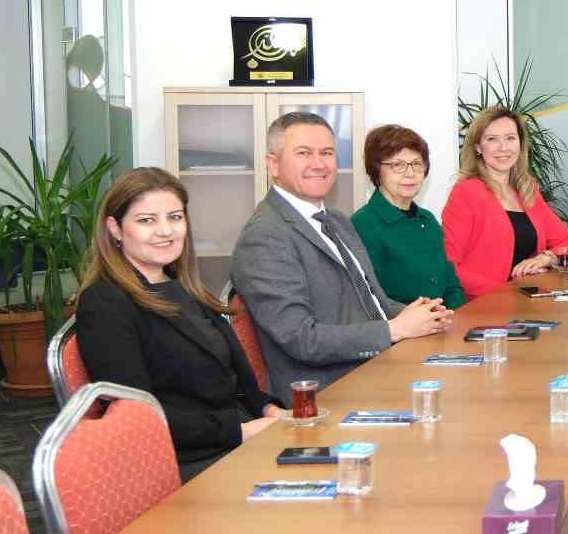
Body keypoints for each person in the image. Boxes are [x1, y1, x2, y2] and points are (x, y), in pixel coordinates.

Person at [75, 167, 287, 482]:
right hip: (182, 461)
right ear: (115, 229)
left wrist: (269, 410)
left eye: (174, 217)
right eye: (146, 220)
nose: (165, 231)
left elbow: (230, 380)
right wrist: (239, 432)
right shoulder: (105, 303)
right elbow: (139, 416)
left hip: (233, 439)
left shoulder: (181, 286)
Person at [232, 112, 453, 394]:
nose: (318, 164)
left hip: (377, 367)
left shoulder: (336, 220)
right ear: (273, 164)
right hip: (329, 392)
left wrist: (423, 315)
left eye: (327, 153)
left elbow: (372, 303)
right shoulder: (264, 236)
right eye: (303, 153)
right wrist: (396, 329)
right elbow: (301, 339)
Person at [443, 106, 568, 297]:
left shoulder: (527, 190)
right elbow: (448, 265)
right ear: (478, 147)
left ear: (520, 143)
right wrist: (504, 293)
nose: (503, 147)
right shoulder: (466, 192)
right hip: (485, 303)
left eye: (510, 138)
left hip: (527, 300)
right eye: (492, 139)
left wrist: (546, 258)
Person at [351, 125, 466, 309]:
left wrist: (458, 317)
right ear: (376, 169)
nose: (410, 173)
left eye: (417, 164)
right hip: (401, 325)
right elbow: (370, 299)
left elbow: (451, 285)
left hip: (444, 321)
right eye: (397, 165)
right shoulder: (363, 224)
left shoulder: (428, 220)